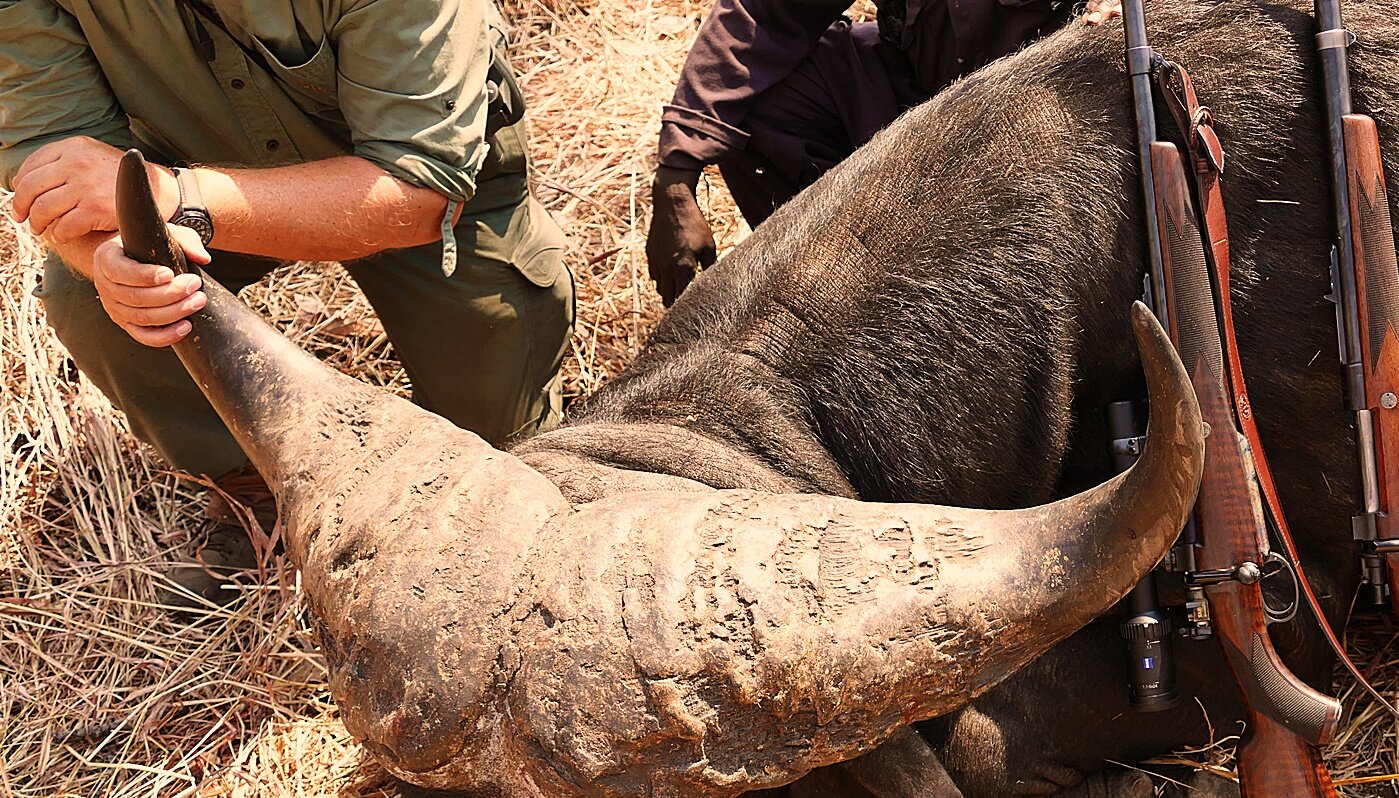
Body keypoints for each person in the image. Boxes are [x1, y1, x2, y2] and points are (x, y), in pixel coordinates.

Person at [1, 1, 574, 602]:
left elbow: (419, 187)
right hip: (194, 167)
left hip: (425, 196)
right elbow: (55, 156)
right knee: (94, 301)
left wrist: (179, 195)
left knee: (505, 453)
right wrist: (111, 255)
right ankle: (256, 493)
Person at [647, 0, 1117, 304]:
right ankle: (845, 303)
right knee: (762, 99)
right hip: (921, 99)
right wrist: (676, 174)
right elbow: (760, 16)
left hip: (1059, 128)